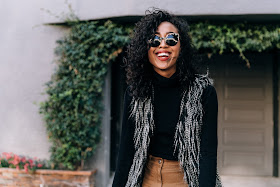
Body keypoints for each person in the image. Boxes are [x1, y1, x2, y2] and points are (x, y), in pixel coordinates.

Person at [112, 9, 222, 187]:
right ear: (146, 48)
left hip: (185, 180)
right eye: (155, 40)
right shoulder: (135, 93)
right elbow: (126, 152)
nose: (162, 45)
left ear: (181, 46)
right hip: (145, 179)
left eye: (171, 39)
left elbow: (207, 155)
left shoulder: (204, 92)